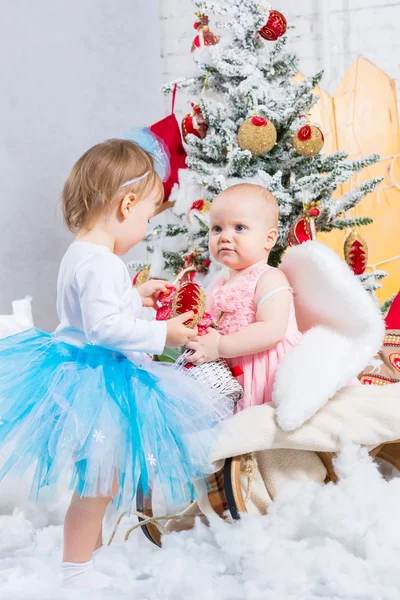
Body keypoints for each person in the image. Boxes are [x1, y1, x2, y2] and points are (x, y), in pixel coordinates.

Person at [0, 136, 231, 589]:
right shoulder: (102, 264)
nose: (145, 229)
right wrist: (165, 331)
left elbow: (97, 313)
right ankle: (76, 570)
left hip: (82, 373)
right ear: (126, 206)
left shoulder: (84, 254)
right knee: (97, 484)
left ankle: (89, 555)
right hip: (97, 379)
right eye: (146, 218)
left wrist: (135, 295)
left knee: (99, 480)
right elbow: (105, 329)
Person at [186, 183, 303, 411]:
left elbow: (271, 330)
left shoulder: (270, 278)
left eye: (239, 228)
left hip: (266, 371)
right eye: (217, 228)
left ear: (268, 239)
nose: (225, 237)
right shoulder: (218, 283)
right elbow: (208, 324)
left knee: (262, 425)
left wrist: (220, 345)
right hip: (231, 374)